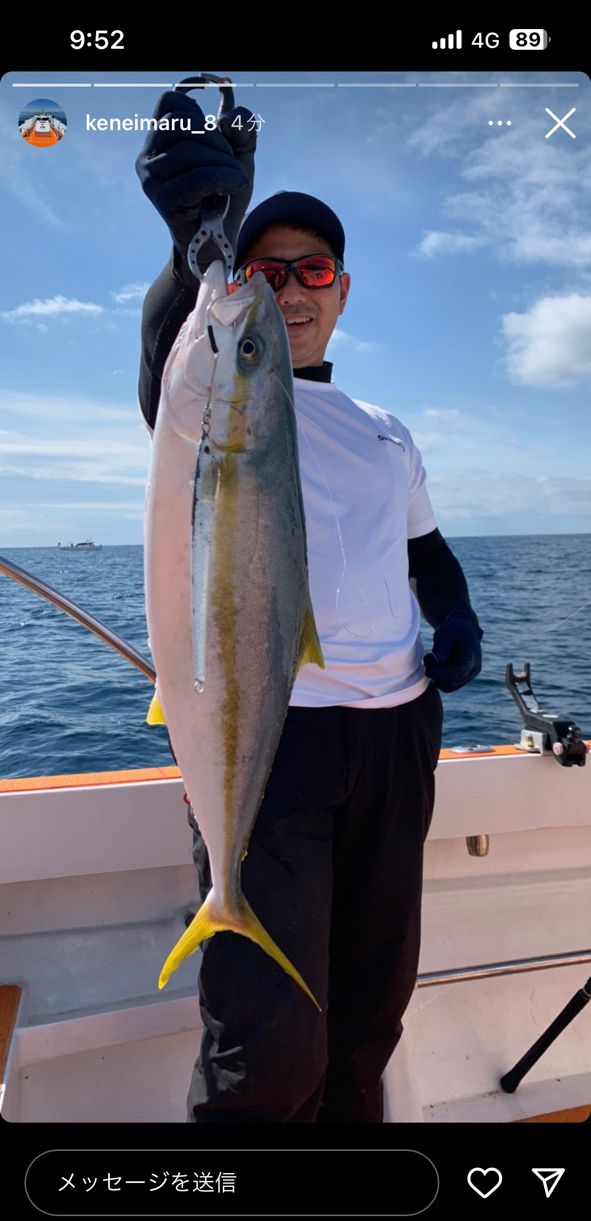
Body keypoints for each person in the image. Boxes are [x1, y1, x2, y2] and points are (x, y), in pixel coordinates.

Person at [136, 90, 483, 1123]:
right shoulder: (210, 392)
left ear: (342, 290)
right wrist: (187, 246)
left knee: (370, 1018)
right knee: (270, 1051)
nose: (287, 288)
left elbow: (432, 554)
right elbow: (170, 362)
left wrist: (455, 616)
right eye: (266, 268)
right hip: (269, 746)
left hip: (395, 740)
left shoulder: (386, 428)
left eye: (312, 270)